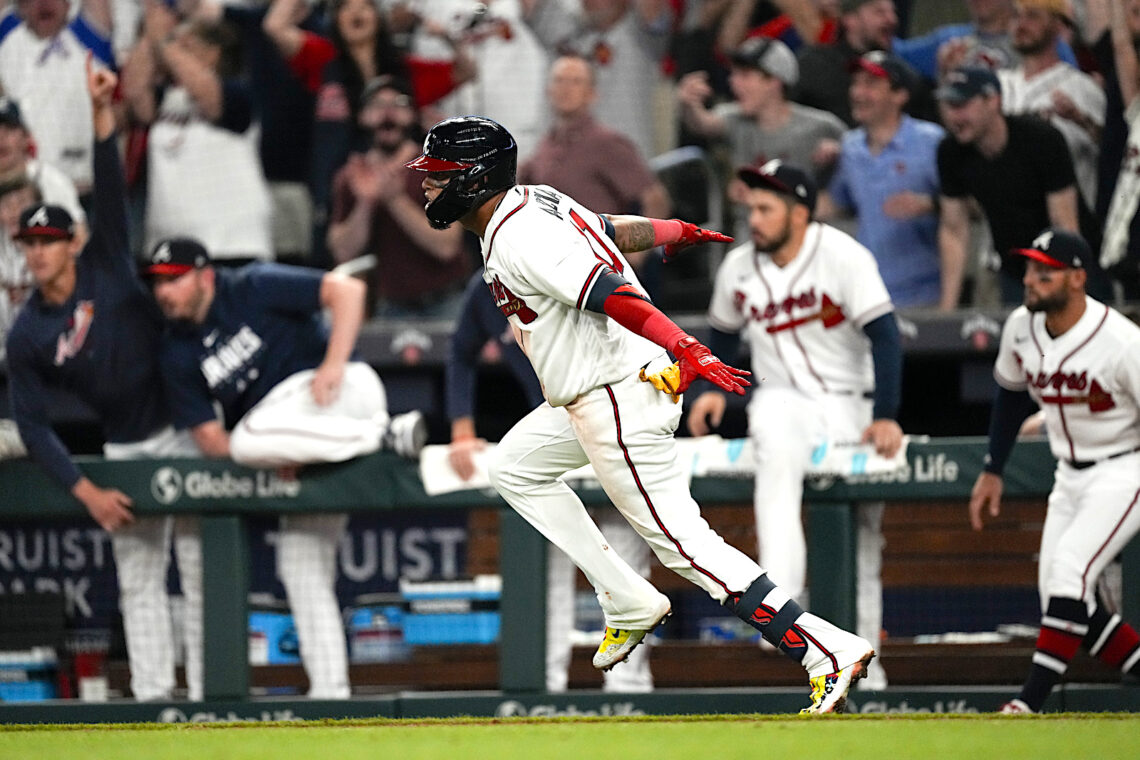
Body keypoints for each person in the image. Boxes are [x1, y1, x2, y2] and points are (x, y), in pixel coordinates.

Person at [405, 115, 875, 714]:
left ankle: (824, 650)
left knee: (685, 545)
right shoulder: (528, 203)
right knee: (514, 467)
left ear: (473, 179)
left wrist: (685, 344)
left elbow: (610, 292)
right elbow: (600, 229)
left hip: (618, 393)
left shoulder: (521, 234)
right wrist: (669, 229)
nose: (427, 186)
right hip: (597, 391)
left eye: (438, 175)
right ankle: (626, 597)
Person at [145, 237, 426, 699]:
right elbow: (212, 443)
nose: (165, 292)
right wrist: (286, 453)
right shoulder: (176, 351)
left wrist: (334, 364)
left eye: (175, 279)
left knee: (250, 439)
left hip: (342, 393)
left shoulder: (250, 285)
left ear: (205, 275)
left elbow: (348, 291)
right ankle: (331, 695)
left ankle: (381, 434)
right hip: (303, 445)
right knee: (297, 560)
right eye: (158, 283)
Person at [4, 62, 203, 702]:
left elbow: (112, 186)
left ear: (72, 242)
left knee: (200, 570)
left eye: (49, 240)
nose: (38, 252)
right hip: (122, 447)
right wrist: (86, 491)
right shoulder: (27, 332)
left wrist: (101, 115)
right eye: (29, 243)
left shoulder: (107, 261)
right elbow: (33, 424)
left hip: (183, 428)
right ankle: (151, 701)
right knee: (139, 577)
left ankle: (208, 697)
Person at [687, 159, 902, 692]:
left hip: (849, 403)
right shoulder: (739, 267)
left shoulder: (843, 257)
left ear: (800, 212)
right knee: (776, 439)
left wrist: (888, 416)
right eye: (750, 207)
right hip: (783, 401)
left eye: (766, 208)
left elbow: (888, 337)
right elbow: (722, 338)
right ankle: (778, 599)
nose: (753, 219)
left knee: (863, 547)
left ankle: (866, 679)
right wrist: (713, 388)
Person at [446, 268, 653, 693]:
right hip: (557, 426)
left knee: (625, 546)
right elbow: (461, 352)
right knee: (555, 560)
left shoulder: (559, 267)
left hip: (613, 407)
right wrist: (461, 427)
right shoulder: (487, 286)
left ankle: (630, 692)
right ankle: (545, 689)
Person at [968, 228, 1140, 714]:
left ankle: (1028, 703)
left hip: (1124, 468)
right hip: (1069, 473)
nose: (1032, 279)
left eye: (1046, 271)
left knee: (1069, 573)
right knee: (1063, 602)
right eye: (1029, 269)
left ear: (1078, 279)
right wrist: (992, 469)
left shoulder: (1123, 342)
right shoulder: (1022, 326)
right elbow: (1008, 395)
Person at [936, 65, 1104, 306]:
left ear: (993, 101)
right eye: (949, 107)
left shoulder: (1041, 139)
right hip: (1017, 269)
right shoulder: (950, 152)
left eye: (961, 106)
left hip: (1074, 264)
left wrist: (1070, 294)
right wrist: (947, 309)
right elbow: (954, 229)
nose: (954, 117)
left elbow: (1065, 223)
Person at [121, 2, 274, 263]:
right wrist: (149, 36)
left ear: (213, 53)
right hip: (171, 244)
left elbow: (208, 94)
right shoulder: (167, 97)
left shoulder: (238, 94)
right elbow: (135, 93)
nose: (173, 51)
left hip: (232, 244)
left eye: (187, 44)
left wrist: (165, 40)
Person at [327, 75, 469, 318]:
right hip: (393, 305)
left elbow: (446, 246)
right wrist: (365, 203)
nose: (388, 113)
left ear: (412, 115)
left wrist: (395, 201)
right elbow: (342, 253)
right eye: (378, 105)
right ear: (362, 116)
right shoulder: (352, 176)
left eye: (399, 104)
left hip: (448, 300)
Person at [520, 53, 671, 273]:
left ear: (591, 94)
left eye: (575, 82)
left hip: (595, 267)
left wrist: (633, 256)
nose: (566, 88)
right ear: (548, 91)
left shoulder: (607, 142)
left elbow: (656, 199)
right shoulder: (546, 144)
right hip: (551, 265)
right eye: (559, 80)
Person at [821, 50, 947, 309]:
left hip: (924, 294)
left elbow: (972, 204)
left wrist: (929, 204)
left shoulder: (932, 142)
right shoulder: (850, 146)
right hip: (868, 294)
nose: (858, 93)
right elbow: (834, 203)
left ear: (900, 95)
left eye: (871, 84)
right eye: (856, 83)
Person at [998, 0, 1105, 213]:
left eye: (1033, 16)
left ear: (1058, 24)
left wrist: (1080, 119)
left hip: (1063, 226)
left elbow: (1113, 152)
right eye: (1017, 16)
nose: (1021, 24)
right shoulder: (997, 85)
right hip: (1002, 229)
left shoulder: (1082, 88)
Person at [0, 0, 115, 198]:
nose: (44, 4)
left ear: (68, 4)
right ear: (22, 6)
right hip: (26, 192)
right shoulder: (7, 40)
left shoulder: (89, 36)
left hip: (85, 188)